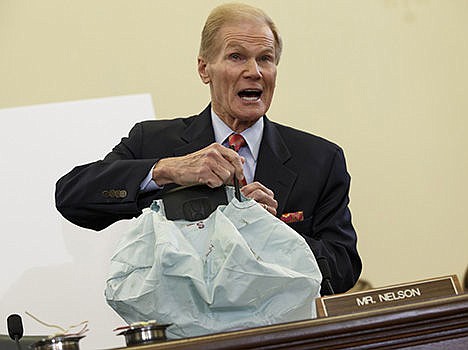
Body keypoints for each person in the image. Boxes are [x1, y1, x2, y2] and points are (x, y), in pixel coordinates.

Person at [55, 3, 361, 294]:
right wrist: (166, 170)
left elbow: (344, 269)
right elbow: (72, 197)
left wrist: (273, 234)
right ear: (204, 69)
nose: (254, 71)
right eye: (237, 57)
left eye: (265, 59)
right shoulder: (154, 141)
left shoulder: (320, 159)